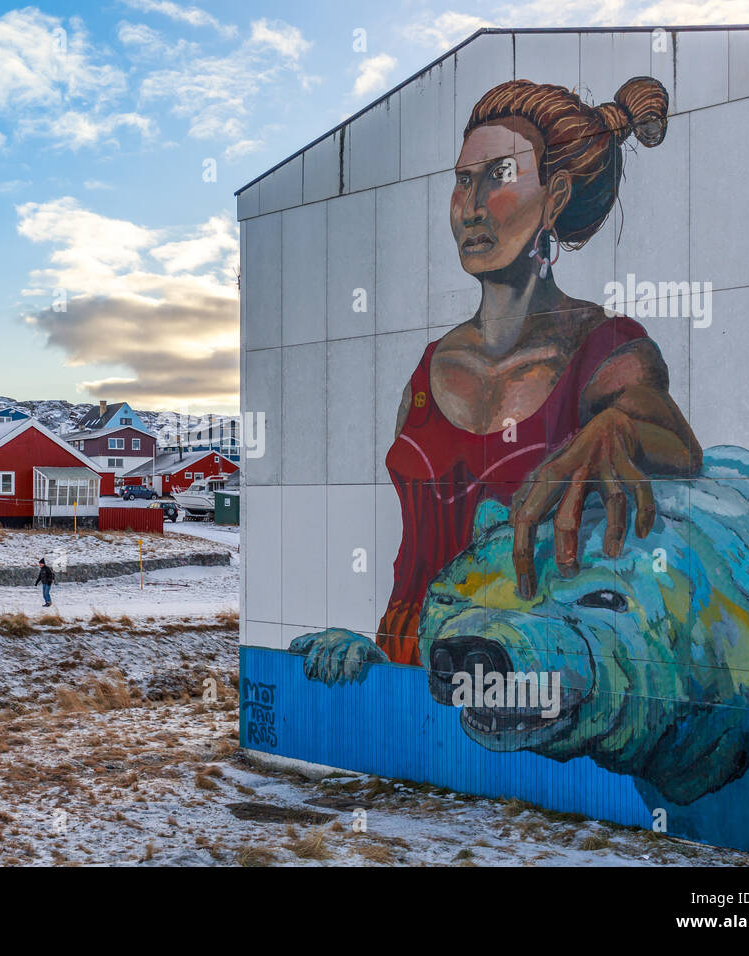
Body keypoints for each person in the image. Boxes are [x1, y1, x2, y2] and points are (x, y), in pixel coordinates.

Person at [296, 76, 702, 674]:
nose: (473, 205)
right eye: (464, 180)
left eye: (501, 176)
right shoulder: (429, 368)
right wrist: (374, 663)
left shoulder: (604, 349)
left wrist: (615, 430)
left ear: (556, 195)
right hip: (411, 675)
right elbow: (418, 564)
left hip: (531, 686)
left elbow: (675, 440)